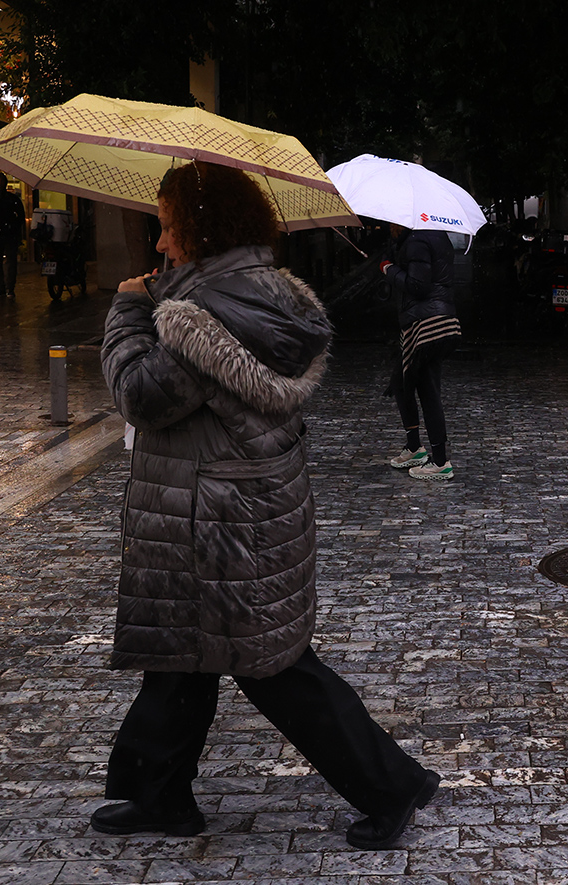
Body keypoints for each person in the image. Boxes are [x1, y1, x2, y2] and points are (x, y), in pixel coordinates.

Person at [96, 161, 440, 849]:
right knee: (181, 659)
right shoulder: (261, 292)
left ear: (201, 227)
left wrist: (130, 309)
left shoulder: (203, 316)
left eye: (168, 228)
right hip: (235, 514)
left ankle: (391, 785)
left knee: (276, 671)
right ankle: (161, 796)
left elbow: (139, 393)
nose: (160, 244)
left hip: (217, 527)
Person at [381, 223, 461, 481]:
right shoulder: (426, 236)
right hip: (424, 322)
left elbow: (419, 285)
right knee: (402, 383)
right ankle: (415, 448)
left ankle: (440, 462)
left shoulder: (417, 241)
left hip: (428, 325)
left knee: (428, 391)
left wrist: (388, 269)